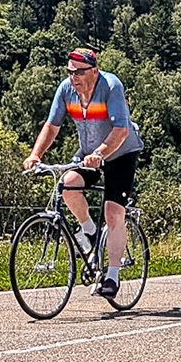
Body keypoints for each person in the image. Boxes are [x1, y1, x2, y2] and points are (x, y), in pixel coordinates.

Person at [22, 48, 143, 299]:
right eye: (70, 71)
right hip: (88, 154)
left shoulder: (111, 86)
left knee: (112, 212)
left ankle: (112, 276)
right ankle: (90, 231)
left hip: (120, 153)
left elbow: (121, 129)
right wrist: (36, 155)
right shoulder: (66, 90)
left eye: (79, 72)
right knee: (68, 185)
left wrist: (100, 153)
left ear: (94, 71)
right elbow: (52, 125)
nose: (73, 77)